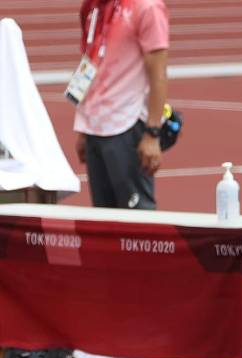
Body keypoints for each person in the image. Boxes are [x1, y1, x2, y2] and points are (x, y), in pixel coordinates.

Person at [72, 0, 169, 209]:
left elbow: (158, 73)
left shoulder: (147, 7)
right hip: (95, 127)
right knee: (104, 218)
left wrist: (153, 133)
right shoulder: (94, 6)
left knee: (136, 218)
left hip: (127, 125)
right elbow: (90, 62)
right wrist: (83, 127)